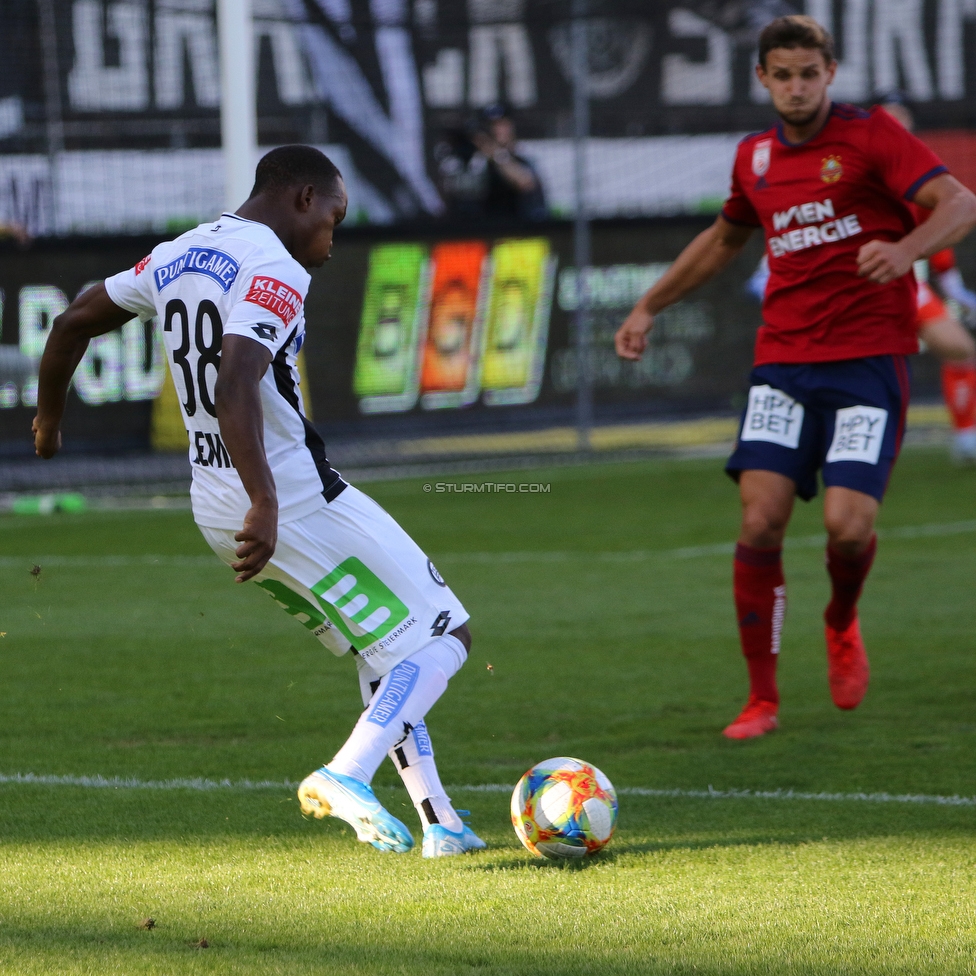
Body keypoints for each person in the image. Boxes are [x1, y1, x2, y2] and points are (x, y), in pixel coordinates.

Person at [32, 145, 487, 857]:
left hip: (215, 504)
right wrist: (266, 501)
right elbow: (234, 381)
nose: (331, 245)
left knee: (385, 645)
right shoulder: (273, 264)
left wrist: (48, 419)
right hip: (287, 497)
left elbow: (72, 322)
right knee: (446, 635)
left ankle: (443, 825)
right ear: (304, 196)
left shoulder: (178, 254)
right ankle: (348, 772)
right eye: (334, 221)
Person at [614, 16, 976, 739]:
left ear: (829, 72)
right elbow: (724, 241)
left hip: (868, 362)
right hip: (782, 364)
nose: (797, 86)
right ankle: (763, 699)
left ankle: (841, 618)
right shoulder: (754, 158)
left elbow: (961, 203)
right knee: (760, 519)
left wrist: (906, 250)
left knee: (848, 528)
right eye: (783, 74)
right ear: (764, 79)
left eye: (809, 73)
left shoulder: (872, 135)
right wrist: (650, 303)